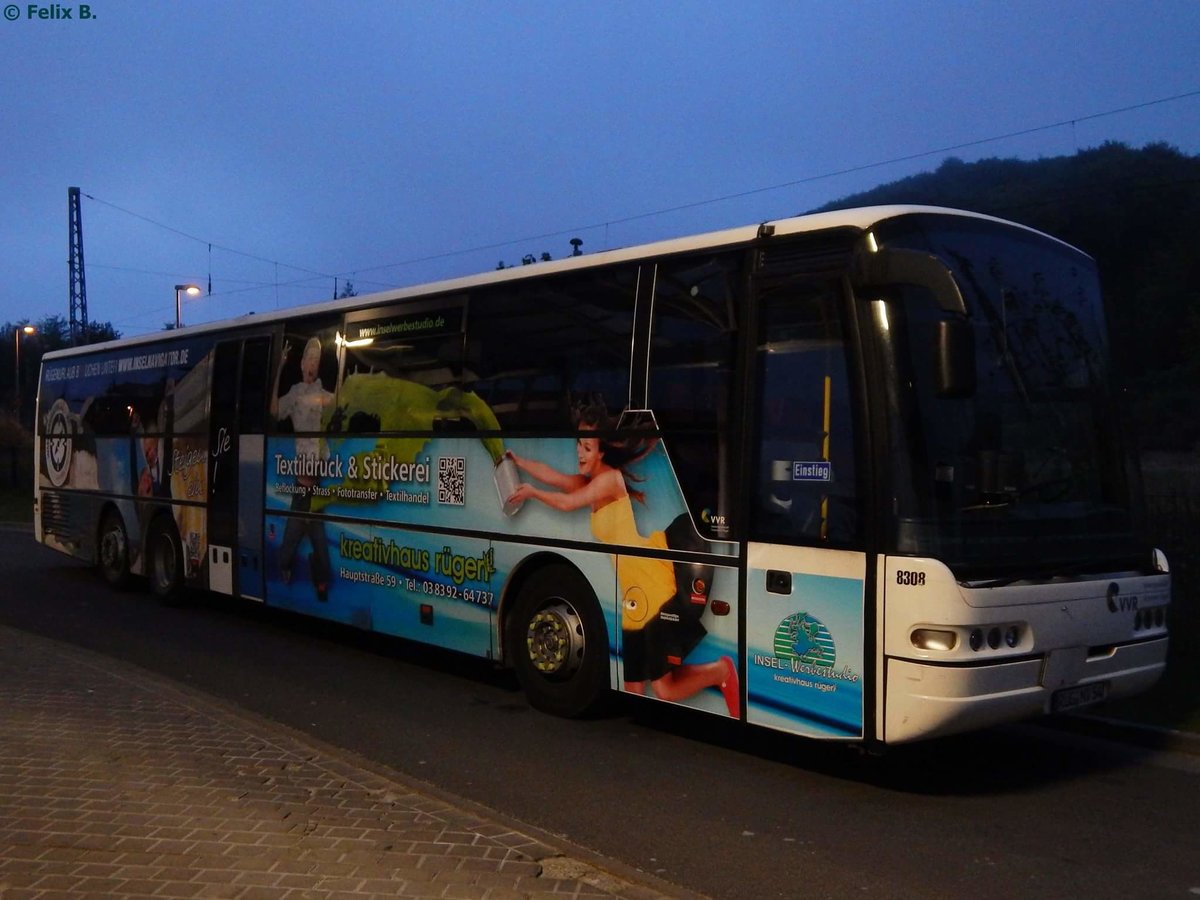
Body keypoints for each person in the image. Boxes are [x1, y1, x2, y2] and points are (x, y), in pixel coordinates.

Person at [506, 402, 739, 717]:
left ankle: (721, 671)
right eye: (579, 444)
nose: (580, 453)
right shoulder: (592, 480)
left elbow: (567, 502)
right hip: (633, 593)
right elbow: (557, 478)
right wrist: (519, 461)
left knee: (664, 689)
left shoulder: (608, 480)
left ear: (602, 452)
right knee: (632, 687)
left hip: (651, 582)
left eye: (588, 447)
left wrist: (532, 493)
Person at [270, 336, 339, 601]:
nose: (312, 364)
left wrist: (342, 362)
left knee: (320, 543)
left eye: (316, 361)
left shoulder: (322, 395)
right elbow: (275, 411)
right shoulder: (296, 393)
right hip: (301, 486)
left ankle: (320, 580)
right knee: (290, 542)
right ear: (301, 364)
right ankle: (286, 566)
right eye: (309, 359)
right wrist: (279, 368)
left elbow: (339, 404)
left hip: (317, 484)